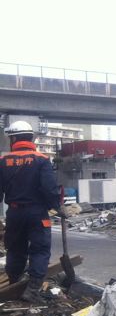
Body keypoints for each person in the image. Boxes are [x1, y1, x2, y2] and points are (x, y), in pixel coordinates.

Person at [0, 121, 60, 302]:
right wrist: (58, 207)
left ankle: (14, 284)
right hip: (37, 213)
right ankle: (32, 290)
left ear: (14, 138)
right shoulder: (41, 159)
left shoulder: (3, 161)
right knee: (40, 250)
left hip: (14, 213)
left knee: (15, 249)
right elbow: (49, 189)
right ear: (31, 138)